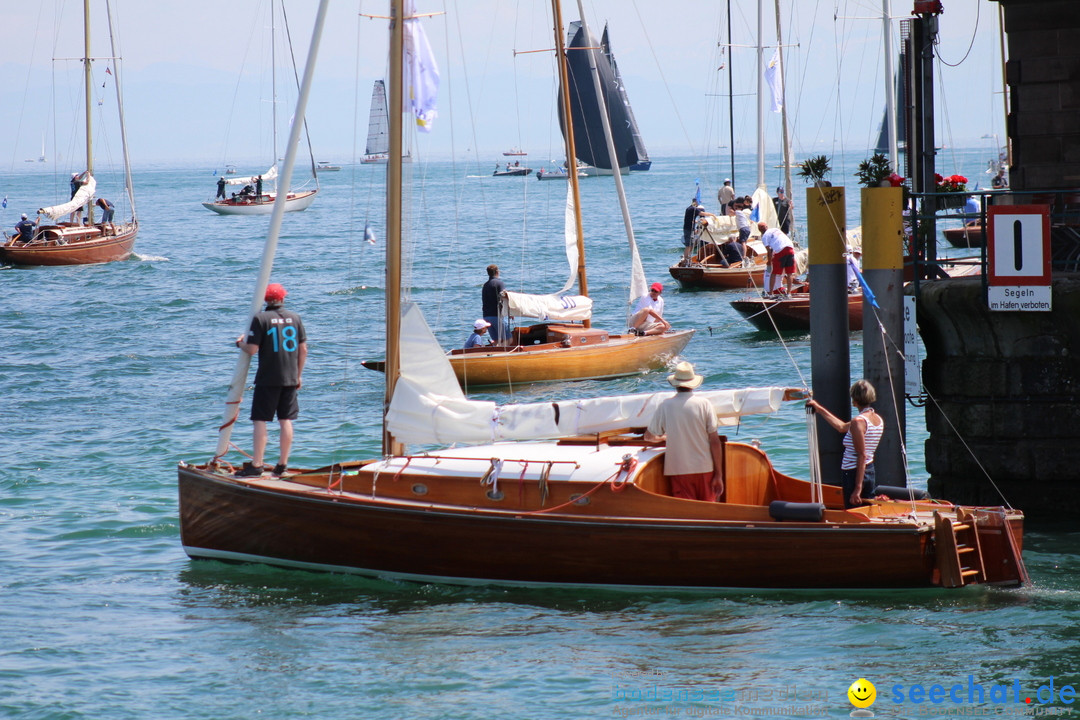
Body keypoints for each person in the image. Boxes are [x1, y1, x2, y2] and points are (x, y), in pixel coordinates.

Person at [235, 282, 308, 478]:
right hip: (290, 378)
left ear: (265, 300)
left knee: (260, 420)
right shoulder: (295, 317)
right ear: (283, 298)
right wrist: (298, 375)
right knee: (286, 420)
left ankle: (257, 464)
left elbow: (252, 349)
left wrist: (240, 343)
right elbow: (303, 350)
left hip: (268, 378)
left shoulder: (260, 318)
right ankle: (282, 465)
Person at [644, 362, 725, 502]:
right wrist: (718, 475)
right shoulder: (704, 404)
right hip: (704, 467)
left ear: (675, 384)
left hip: (679, 469)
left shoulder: (665, 405)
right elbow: (714, 441)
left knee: (688, 513)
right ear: (693, 383)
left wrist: (664, 438)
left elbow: (649, 437)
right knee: (709, 512)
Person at [806, 380, 884, 509]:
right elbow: (841, 427)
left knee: (853, 511)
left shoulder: (858, 421)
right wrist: (819, 409)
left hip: (854, 473)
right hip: (869, 471)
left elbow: (861, 455)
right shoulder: (877, 419)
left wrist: (857, 488)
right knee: (866, 510)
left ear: (854, 399)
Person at [758, 221, 796, 294]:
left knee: (774, 273)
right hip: (790, 248)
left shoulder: (764, 236)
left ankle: (770, 293)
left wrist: (769, 262)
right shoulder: (776, 229)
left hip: (780, 250)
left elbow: (769, 251)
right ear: (767, 227)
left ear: (759, 230)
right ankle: (788, 293)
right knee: (789, 273)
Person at [482, 264, 509, 343]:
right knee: (508, 339)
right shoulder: (499, 283)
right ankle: (506, 354)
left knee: (497, 340)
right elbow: (503, 296)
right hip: (497, 316)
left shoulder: (485, 285)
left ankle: (498, 353)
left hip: (486, 316)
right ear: (497, 272)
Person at [681, 198, 699, 264]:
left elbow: (689, 219)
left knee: (691, 245)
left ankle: (687, 257)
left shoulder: (689, 209)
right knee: (689, 245)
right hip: (688, 229)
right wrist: (712, 215)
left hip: (689, 229)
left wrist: (695, 222)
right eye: (698, 202)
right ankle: (686, 258)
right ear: (695, 202)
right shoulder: (692, 208)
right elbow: (701, 213)